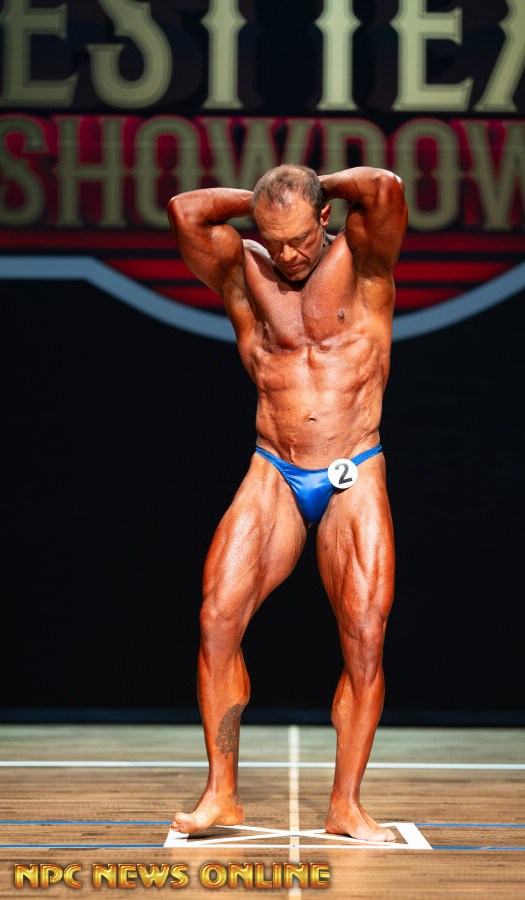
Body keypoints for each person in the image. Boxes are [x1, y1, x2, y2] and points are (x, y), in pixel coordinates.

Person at [167, 165, 407, 843]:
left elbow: (384, 188)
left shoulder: (363, 260)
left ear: (324, 217)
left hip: (353, 467)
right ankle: (221, 795)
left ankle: (346, 805)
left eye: (299, 239)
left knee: (364, 635)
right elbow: (185, 211)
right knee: (218, 618)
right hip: (273, 467)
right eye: (273, 240)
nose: (289, 254)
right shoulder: (243, 270)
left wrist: (313, 184)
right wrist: (265, 201)